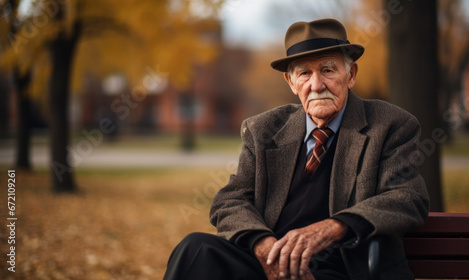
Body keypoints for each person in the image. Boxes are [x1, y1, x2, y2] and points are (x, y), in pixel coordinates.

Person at [163, 18, 429, 280]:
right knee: (195, 249)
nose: (316, 85)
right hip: (270, 266)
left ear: (351, 75)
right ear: (291, 83)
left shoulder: (390, 124)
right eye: (304, 73)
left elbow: (407, 198)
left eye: (328, 70)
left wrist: (333, 227)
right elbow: (230, 201)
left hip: (345, 269)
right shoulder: (264, 129)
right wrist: (265, 248)